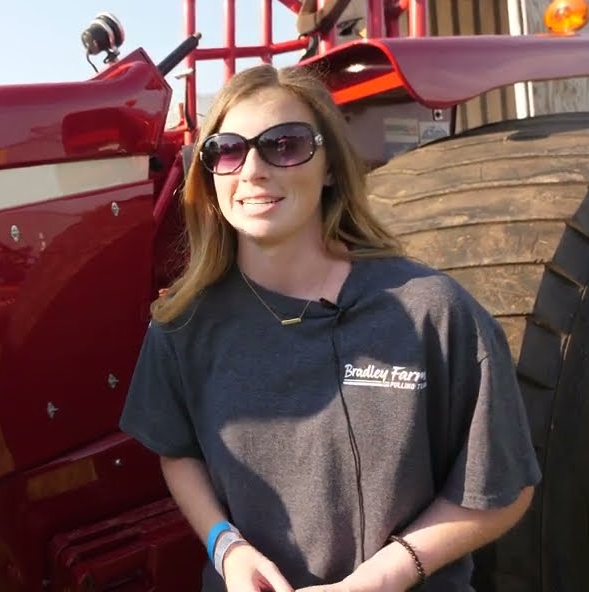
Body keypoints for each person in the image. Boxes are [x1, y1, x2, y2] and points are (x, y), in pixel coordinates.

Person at [118, 63, 541, 592]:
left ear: (332, 168)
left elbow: (502, 488)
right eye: (226, 150)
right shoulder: (182, 326)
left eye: (285, 144)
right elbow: (178, 451)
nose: (251, 170)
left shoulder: (432, 312)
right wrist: (226, 546)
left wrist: (385, 577)